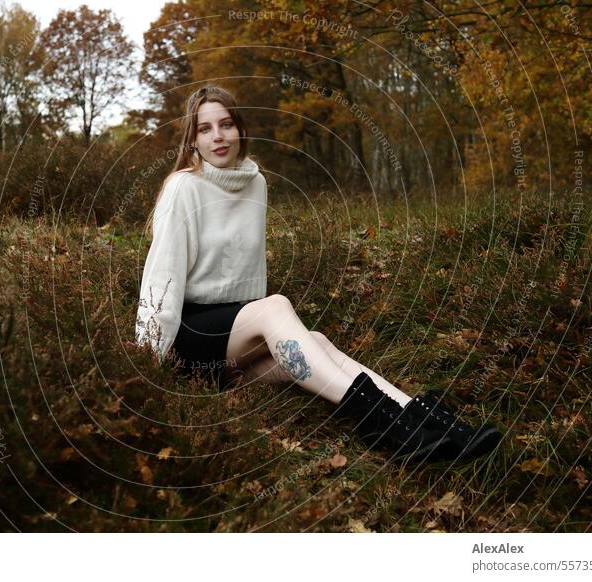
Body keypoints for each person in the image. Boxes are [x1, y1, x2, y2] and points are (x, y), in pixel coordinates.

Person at [135, 85, 501, 463]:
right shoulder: (184, 187)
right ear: (192, 140)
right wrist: (148, 362)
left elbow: (248, 270)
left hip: (235, 338)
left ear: (240, 129)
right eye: (205, 128)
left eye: (226, 124)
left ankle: (419, 417)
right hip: (188, 337)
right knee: (274, 307)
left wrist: (263, 330)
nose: (218, 136)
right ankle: (379, 420)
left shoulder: (255, 183)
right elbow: (162, 277)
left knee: (318, 341)